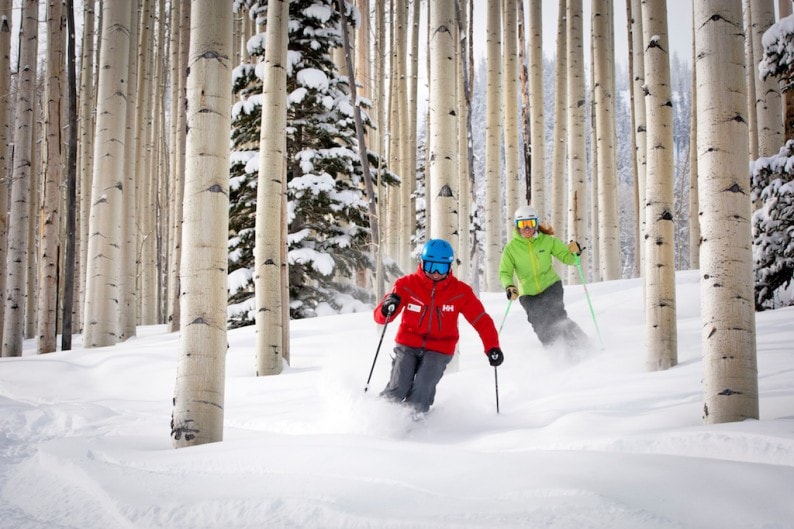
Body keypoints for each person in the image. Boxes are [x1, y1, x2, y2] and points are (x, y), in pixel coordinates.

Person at [373, 239, 505, 417]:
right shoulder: (406, 285)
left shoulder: (460, 292)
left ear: (449, 267)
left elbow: (481, 320)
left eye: (441, 268)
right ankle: (379, 418)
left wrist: (492, 347)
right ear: (422, 263)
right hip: (408, 344)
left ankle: (412, 427)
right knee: (399, 387)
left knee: (422, 389)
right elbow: (380, 318)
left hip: (439, 349)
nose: (435, 273)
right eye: (431, 266)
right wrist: (386, 307)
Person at [499, 205, 589, 350]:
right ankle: (556, 353)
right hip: (528, 293)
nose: (527, 228)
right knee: (541, 326)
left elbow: (567, 258)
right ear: (517, 226)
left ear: (536, 223)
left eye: (530, 223)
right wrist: (509, 286)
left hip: (550, 285)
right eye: (522, 224)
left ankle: (582, 345)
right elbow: (505, 272)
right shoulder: (511, 249)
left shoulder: (547, 241)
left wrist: (574, 253)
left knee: (558, 318)